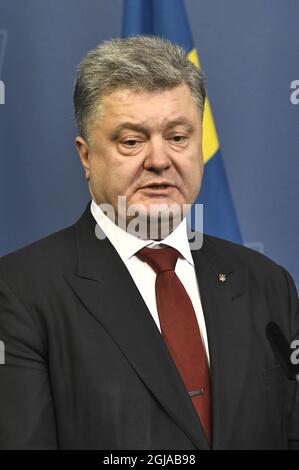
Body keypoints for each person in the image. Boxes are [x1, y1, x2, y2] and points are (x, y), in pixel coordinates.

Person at [0, 36, 298, 450]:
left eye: (177, 137)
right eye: (132, 141)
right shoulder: (18, 291)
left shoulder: (268, 282)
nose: (160, 160)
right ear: (85, 156)